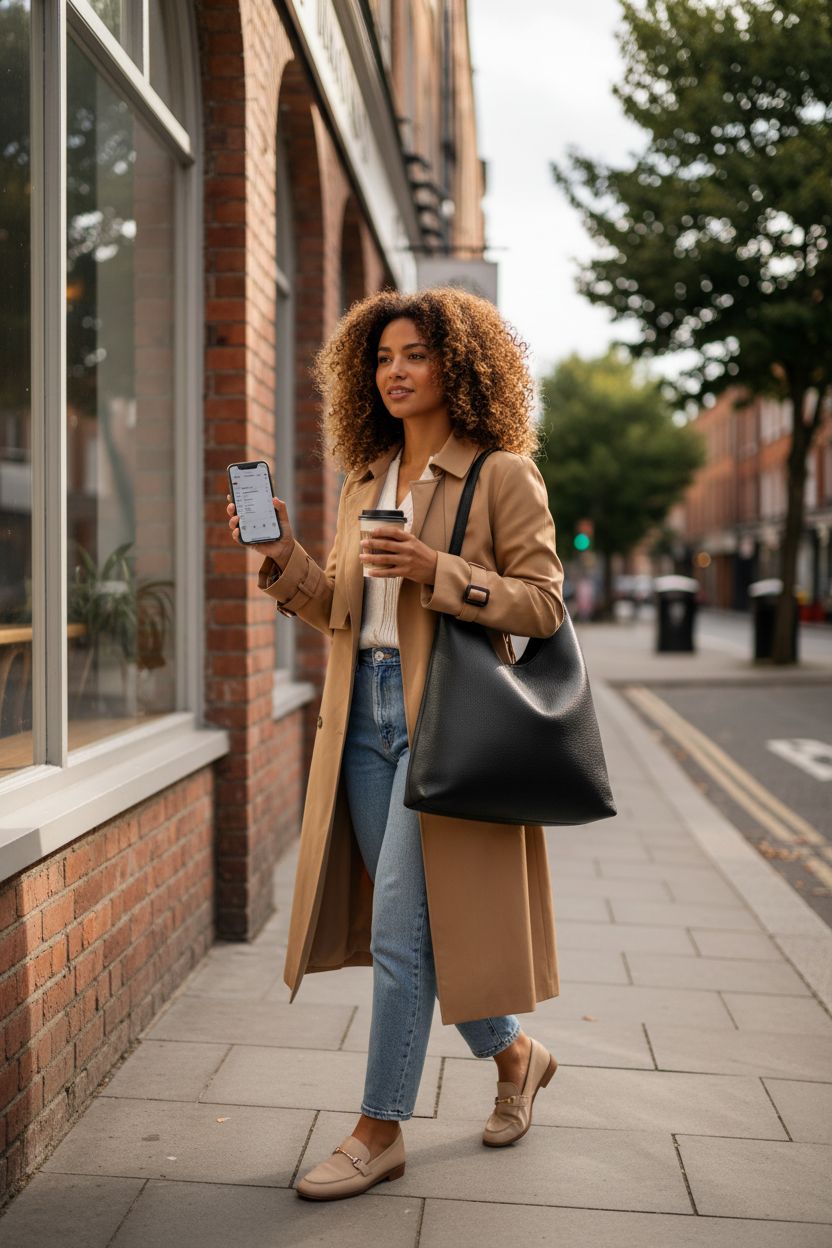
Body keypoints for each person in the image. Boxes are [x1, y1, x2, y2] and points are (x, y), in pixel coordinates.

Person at [226, 287, 565, 1201]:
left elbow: (543, 603)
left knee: (397, 940)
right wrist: (281, 558)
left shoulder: (500, 474)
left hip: (443, 722)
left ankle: (378, 1131)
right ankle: (518, 1057)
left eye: (415, 354)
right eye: (382, 358)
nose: (396, 372)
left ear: (459, 365)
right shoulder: (363, 476)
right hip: (364, 724)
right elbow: (340, 607)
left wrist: (438, 571)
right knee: (421, 929)